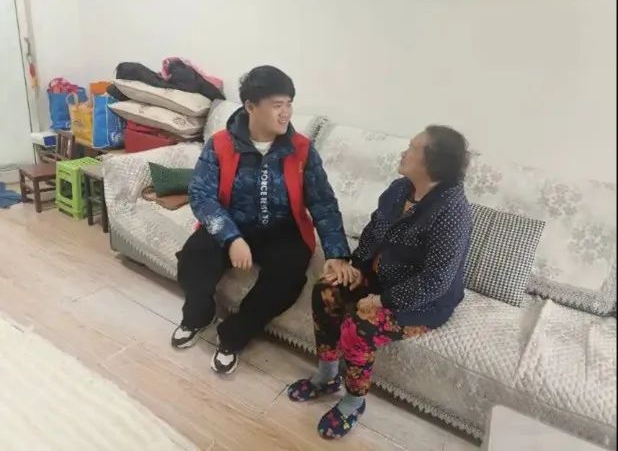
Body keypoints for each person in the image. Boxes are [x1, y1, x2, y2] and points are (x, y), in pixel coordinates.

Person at [287, 125, 473, 439]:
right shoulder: (400, 189)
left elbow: (436, 281)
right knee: (326, 290)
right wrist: (356, 268)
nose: (404, 152)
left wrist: (382, 301)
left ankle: (353, 401)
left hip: (422, 301)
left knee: (359, 326)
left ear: (431, 162)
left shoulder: (452, 212)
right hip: (380, 275)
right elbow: (375, 230)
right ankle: (327, 376)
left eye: (412, 148)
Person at [172, 65, 354, 375]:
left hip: (283, 231)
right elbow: (201, 196)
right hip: (232, 223)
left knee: (288, 278)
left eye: (289, 104)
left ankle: (234, 335)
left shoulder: (301, 150)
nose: (286, 113)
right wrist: (231, 237)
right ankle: (198, 315)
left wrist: (337, 253)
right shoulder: (220, 144)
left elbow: (323, 202)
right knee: (193, 258)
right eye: (277, 105)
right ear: (250, 106)